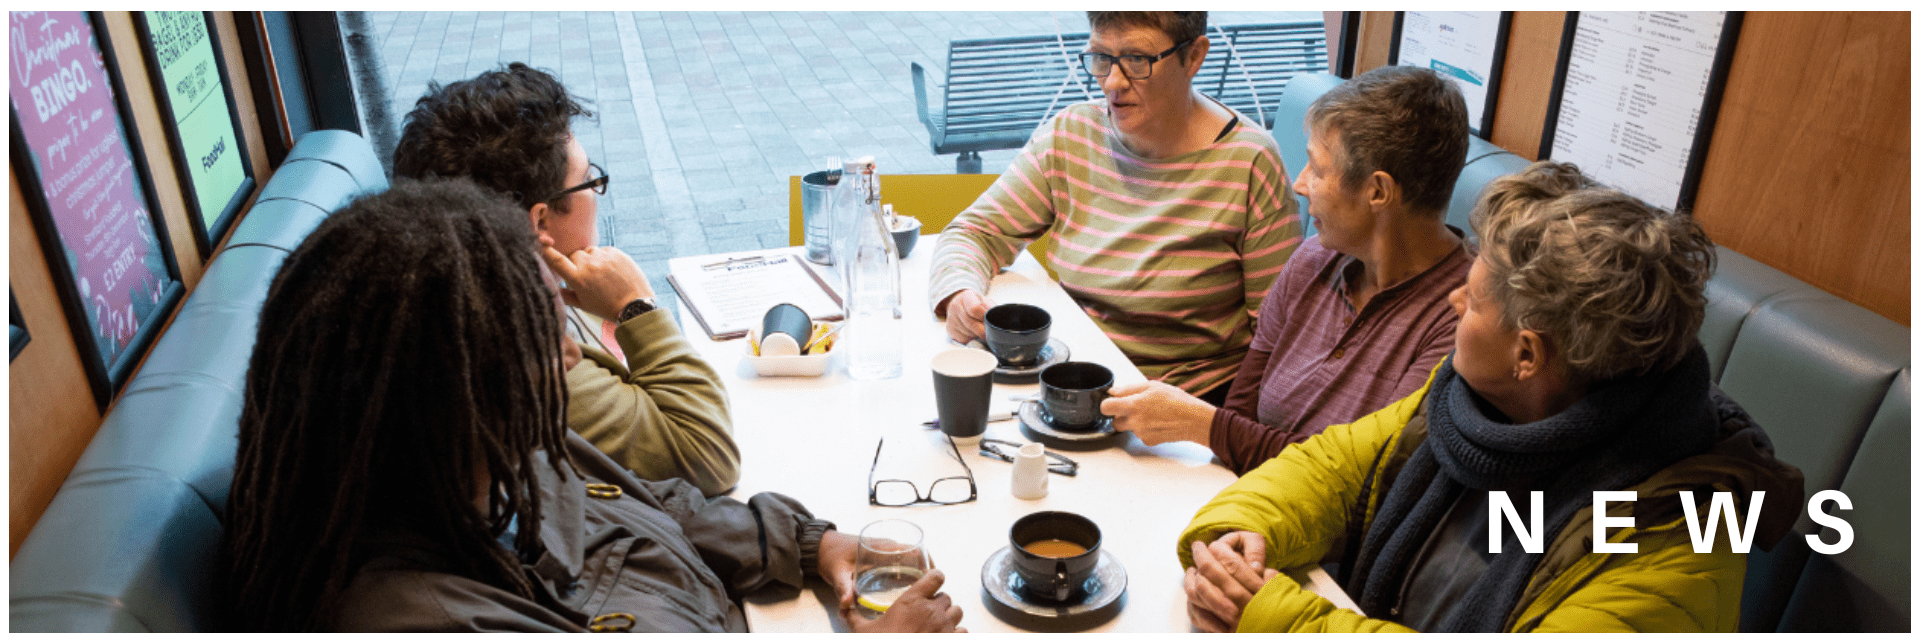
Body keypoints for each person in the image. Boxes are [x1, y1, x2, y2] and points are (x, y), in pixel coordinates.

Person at [219, 178, 964, 632]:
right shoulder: (412, 615)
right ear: (451, 392)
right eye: (546, 337)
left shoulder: (490, 456)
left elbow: (656, 503)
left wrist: (807, 544)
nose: (573, 354)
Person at [1175, 161, 1805, 632]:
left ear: (1527, 355)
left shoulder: (1678, 546)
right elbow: (1335, 467)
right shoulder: (1467, 398)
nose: (1452, 302)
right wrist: (1241, 532)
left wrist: (1276, 617)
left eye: (1472, 301)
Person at [1104, 66, 1474, 474]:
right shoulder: (1312, 259)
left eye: (1316, 169)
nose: (1300, 184)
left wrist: (1202, 425)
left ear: (1377, 191)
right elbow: (1241, 412)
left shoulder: (1459, 320)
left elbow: (1361, 478)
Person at [392, 63, 740, 496]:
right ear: (539, 220)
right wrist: (637, 306)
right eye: (588, 180)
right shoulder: (532, 359)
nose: (596, 192)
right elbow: (707, 458)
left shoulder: (480, 286)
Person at [929, 11, 1302, 404]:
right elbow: (974, 233)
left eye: (1137, 60)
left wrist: (1216, 433)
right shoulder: (1071, 135)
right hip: (1072, 386)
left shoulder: (1249, 163)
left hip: (1183, 406)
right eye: (1101, 58)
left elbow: (1279, 341)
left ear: (1193, 57)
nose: (1113, 82)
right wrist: (959, 293)